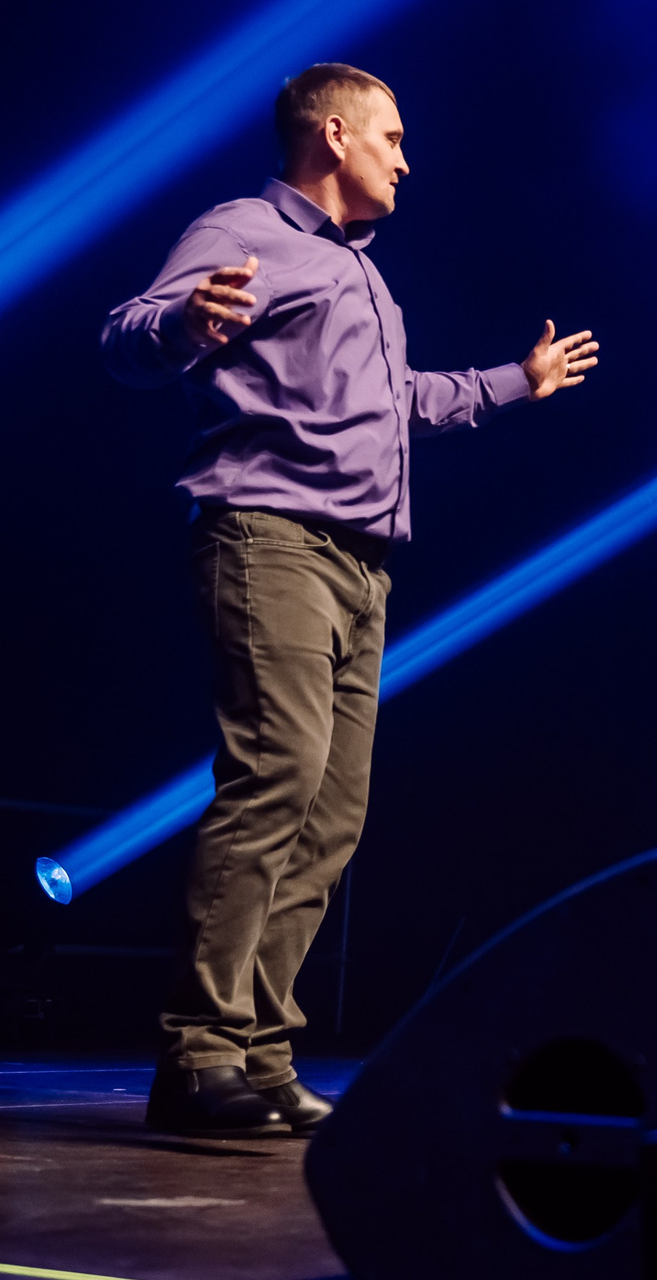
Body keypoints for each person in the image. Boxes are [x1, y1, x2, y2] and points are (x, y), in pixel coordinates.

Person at [102, 62, 599, 1136]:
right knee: (274, 775)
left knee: (333, 814)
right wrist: (185, 320)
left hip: (362, 562)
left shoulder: (364, 274)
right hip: (268, 537)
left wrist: (520, 379)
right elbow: (126, 333)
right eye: (392, 137)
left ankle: (262, 1055)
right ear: (333, 135)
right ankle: (196, 1053)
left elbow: (401, 397)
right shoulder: (245, 227)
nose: (407, 159)